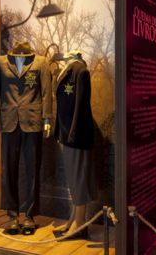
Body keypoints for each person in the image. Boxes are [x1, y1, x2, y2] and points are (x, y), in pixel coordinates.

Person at [0, 41, 51, 235]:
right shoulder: (1, 62)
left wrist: (47, 117)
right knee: (10, 170)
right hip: (8, 121)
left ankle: (30, 216)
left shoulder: (41, 63)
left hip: (32, 121)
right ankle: (13, 215)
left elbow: (47, 92)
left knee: (32, 169)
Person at [53, 50, 96, 240]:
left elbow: (81, 105)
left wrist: (73, 132)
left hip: (76, 136)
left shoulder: (81, 71)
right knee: (73, 179)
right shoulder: (69, 71)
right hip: (67, 134)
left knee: (78, 180)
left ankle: (80, 225)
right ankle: (74, 220)